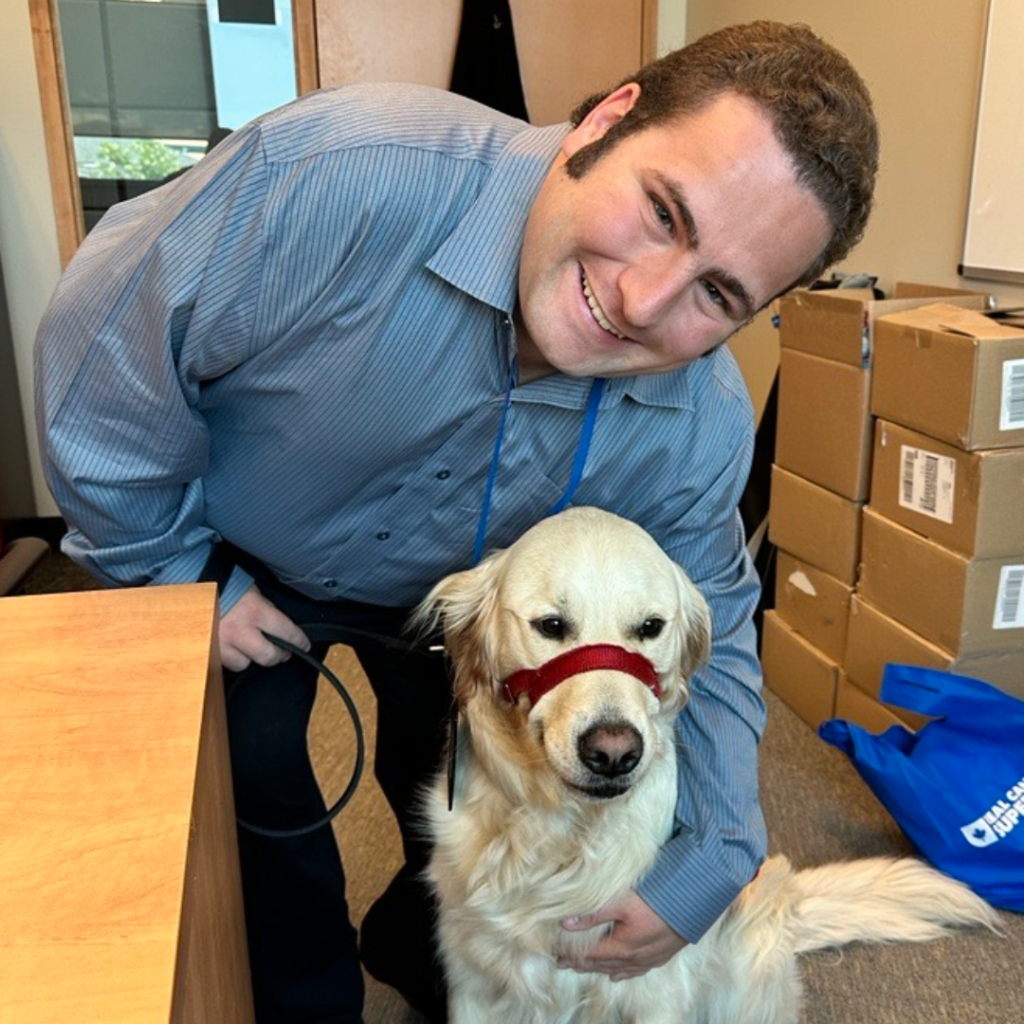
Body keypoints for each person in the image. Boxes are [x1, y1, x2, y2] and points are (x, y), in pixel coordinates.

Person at [34, 20, 878, 1024]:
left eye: (716, 293)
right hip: (231, 547)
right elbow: (107, 342)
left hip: (472, 598)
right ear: (608, 120)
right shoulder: (336, 175)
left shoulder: (693, 426)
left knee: (461, 772)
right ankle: (310, 999)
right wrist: (173, 564)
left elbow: (716, 632)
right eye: (661, 212)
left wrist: (711, 863)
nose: (643, 300)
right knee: (246, 781)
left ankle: (414, 934)